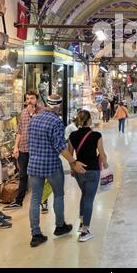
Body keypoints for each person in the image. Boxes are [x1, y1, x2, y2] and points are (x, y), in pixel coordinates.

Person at [27, 94, 86, 248]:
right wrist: (73, 162)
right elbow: (60, 147)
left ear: (46, 103)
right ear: (59, 105)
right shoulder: (56, 122)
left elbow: (29, 143)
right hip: (51, 165)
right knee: (58, 195)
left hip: (34, 165)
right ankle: (60, 226)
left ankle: (36, 234)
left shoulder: (34, 119)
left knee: (35, 199)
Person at [68, 110, 108, 242]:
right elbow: (101, 154)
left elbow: (70, 155)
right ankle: (85, 231)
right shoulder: (96, 135)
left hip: (79, 170)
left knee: (84, 195)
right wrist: (106, 163)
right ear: (89, 120)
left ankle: (81, 221)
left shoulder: (72, 136)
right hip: (93, 171)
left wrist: (72, 168)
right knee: (89, 199)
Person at [4, 91, 44, 211]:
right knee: (22, 175)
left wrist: (32, 115)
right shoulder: (23, 113)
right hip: (23, 149)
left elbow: (41, 129)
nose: (29, 101)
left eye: (32, 98)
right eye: (27, 99)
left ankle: (44, 201)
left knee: (39, 175)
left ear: (37, 99)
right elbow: (20, 132)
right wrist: (16, 146)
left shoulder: (43, 112)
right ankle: (19, 200)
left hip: (37, 150)